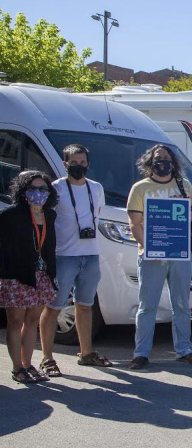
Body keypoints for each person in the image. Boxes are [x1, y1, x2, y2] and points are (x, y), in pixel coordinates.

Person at [126, 144, 192, 370]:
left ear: (174, 162)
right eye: (158, 158)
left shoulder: (184, 184)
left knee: (181, 304)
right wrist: (151, 248)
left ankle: (184, 350)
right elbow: (135, 224)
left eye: (167, 158)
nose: (163, 162)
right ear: (150, 162)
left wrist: (179, 209)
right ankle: (141, 353)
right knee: (147, 306)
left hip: (180, 254)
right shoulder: (140, 188)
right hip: (151, 256)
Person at [39, 145, 111, 377]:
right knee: (53, 307)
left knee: (85, 305)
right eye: (74, 163)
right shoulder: (56, 188)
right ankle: (47, 358)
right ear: (65, 164)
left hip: (90, 254)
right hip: (64, 255)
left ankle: (86, 352)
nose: (79, 166)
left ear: (87, 163)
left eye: (82, 162)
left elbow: (97, 213)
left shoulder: (96, 188)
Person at [0, 171, 58, 383]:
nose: (38, 193)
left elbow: (50, 246)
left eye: (43, 189)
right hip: (16, 275)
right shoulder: (10, 215)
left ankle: (27, 364)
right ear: (23, 191)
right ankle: (17, 368)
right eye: (33, 188)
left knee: (32, 320)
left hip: (41, 275)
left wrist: (52, 274)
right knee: (15, 321)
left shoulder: (49, 215)